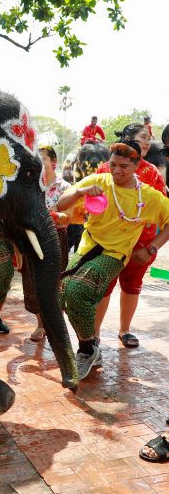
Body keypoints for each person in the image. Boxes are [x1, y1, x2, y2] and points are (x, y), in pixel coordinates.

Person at [57, 140, 169, 380]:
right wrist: (79, 191)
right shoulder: (99, 181)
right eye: (113, 164)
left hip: (114, 255)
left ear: (137, 166)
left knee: (77, 290)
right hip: (87, 247)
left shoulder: (148, 196)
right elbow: (61, 204)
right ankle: (90, 345)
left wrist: (151, 247)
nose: (116, 171)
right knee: (62, 292)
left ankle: (87, 349)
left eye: (124, 167)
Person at [94, 124, 167, 348]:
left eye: (149, 139)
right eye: (142, 137)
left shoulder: (152, 172)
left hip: (140, 245)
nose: (147, 142)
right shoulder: (105, 169)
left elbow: (164, 212)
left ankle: (125, 330)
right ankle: (94, 335)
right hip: (109, 244)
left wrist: (151, 247)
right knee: (104, 286)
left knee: (132, 285)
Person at [22, 146, 70, 341]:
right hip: (30, 238)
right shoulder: (28, 185)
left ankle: (56, 323)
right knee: (32, 282)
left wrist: (47, 217)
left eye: (43, 159)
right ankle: (41, 325)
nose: (39, 163)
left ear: (53, 162)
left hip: (55, 239)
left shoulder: (65, 188)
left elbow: (68, 217)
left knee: (55, 282)